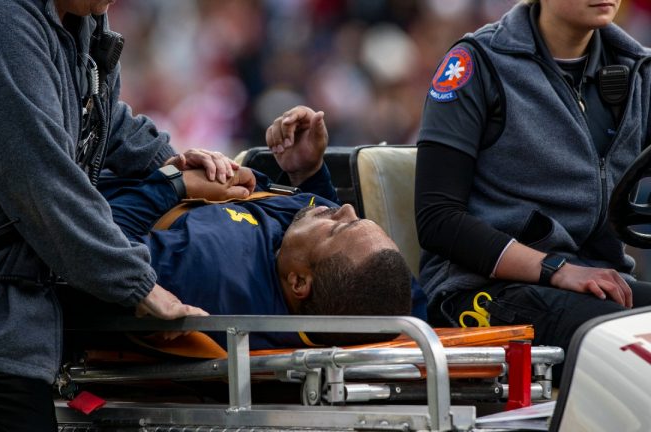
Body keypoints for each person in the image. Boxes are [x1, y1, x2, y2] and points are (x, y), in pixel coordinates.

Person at [0, 1, 245, 431]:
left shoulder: (77, 10)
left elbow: (89, 113)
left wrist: (166, 160)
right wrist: (137, 284)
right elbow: (38, 176)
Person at [415, 0, 651, 378]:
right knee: (627, 347)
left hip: (600, 283)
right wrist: (556, 269)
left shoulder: (637, 69)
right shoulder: (477, 63)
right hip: (485, 293)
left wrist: (577, 274)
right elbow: (438, 219)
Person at [90, 105, 413, 350]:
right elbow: (351, 275)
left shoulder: (208, 274)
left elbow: (95, 242)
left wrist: (175, 184)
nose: (345, 208)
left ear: (299, 282)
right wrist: (308, 172)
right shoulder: (323, 272)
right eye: (357, 219)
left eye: (339, 228)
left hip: (78, 181)